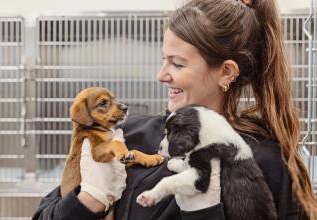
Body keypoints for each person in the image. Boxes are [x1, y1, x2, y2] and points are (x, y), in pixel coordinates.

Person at [32, 0, 317, 219]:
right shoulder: (127, 136)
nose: (161, 75)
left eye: (178, 64)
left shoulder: (264, 163)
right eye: (163, 59)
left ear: (226, 72)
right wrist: (88, 201)